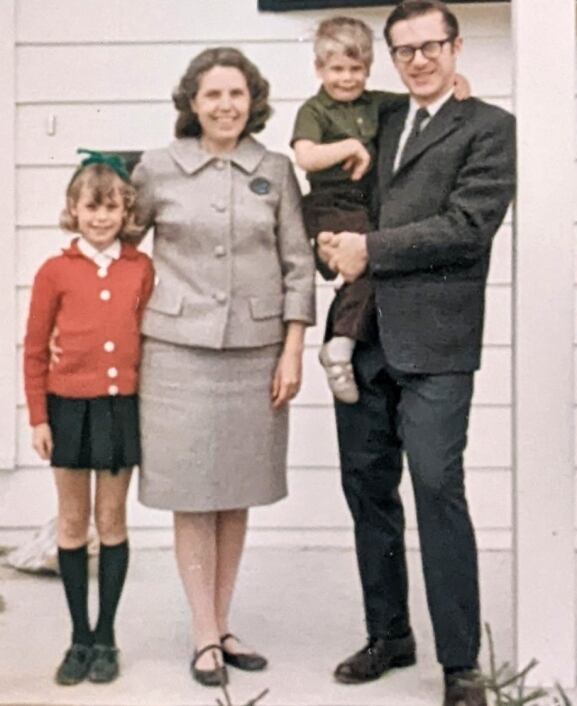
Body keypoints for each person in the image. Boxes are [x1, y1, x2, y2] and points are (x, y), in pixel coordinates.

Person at [317, 3, 516, 705]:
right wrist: (331, 243)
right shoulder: (384, 120)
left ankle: (461, 663)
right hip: (366, 338)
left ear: (456, 47)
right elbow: (343, 193)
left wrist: (369, 249)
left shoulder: (491, 128)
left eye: (431, 46)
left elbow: (468, 226)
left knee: (436, 488)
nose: (419, 60)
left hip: (437, 344)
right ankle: (389, 635)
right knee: (369, 492)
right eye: (403, 51)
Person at [130, 47, 315, 686]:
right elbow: (120, 248)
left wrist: (292, 348)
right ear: (192, 103)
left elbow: (297, 265)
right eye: (213, 95)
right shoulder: (156, 169)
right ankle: (204, 633)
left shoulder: (276, 170)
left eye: (237, 94)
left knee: (237, 493)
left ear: (253, 100)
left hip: (257, 352)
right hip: (176, 353)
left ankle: (222, 622)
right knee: (192, 493)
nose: (226, 106)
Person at [23, 151, 154, 685]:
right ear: (73, 210)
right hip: (68, 408)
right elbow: (33, 350)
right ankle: (78, 635)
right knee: (74, 523)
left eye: (112, 208)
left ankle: (107, 636)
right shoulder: (55, 270)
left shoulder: (140, 268)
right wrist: (39, 418)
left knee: (113, 521)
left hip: (120, 406)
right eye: (91, 207)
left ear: (126, 213)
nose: (101, 218)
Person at [292, 16, 467, 404]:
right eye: (337, 69)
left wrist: (457, 85)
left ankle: (344, 342)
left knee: (373, 263)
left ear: (368, 70)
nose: (347, 78)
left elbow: (420, 98)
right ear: (319, 69)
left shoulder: (376, 103)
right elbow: (305, 156)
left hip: (364, 202)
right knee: (366, 258)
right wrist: (350, 147)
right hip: (331, 202)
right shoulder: (315, 110)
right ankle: (340, 345)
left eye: (356, 69)